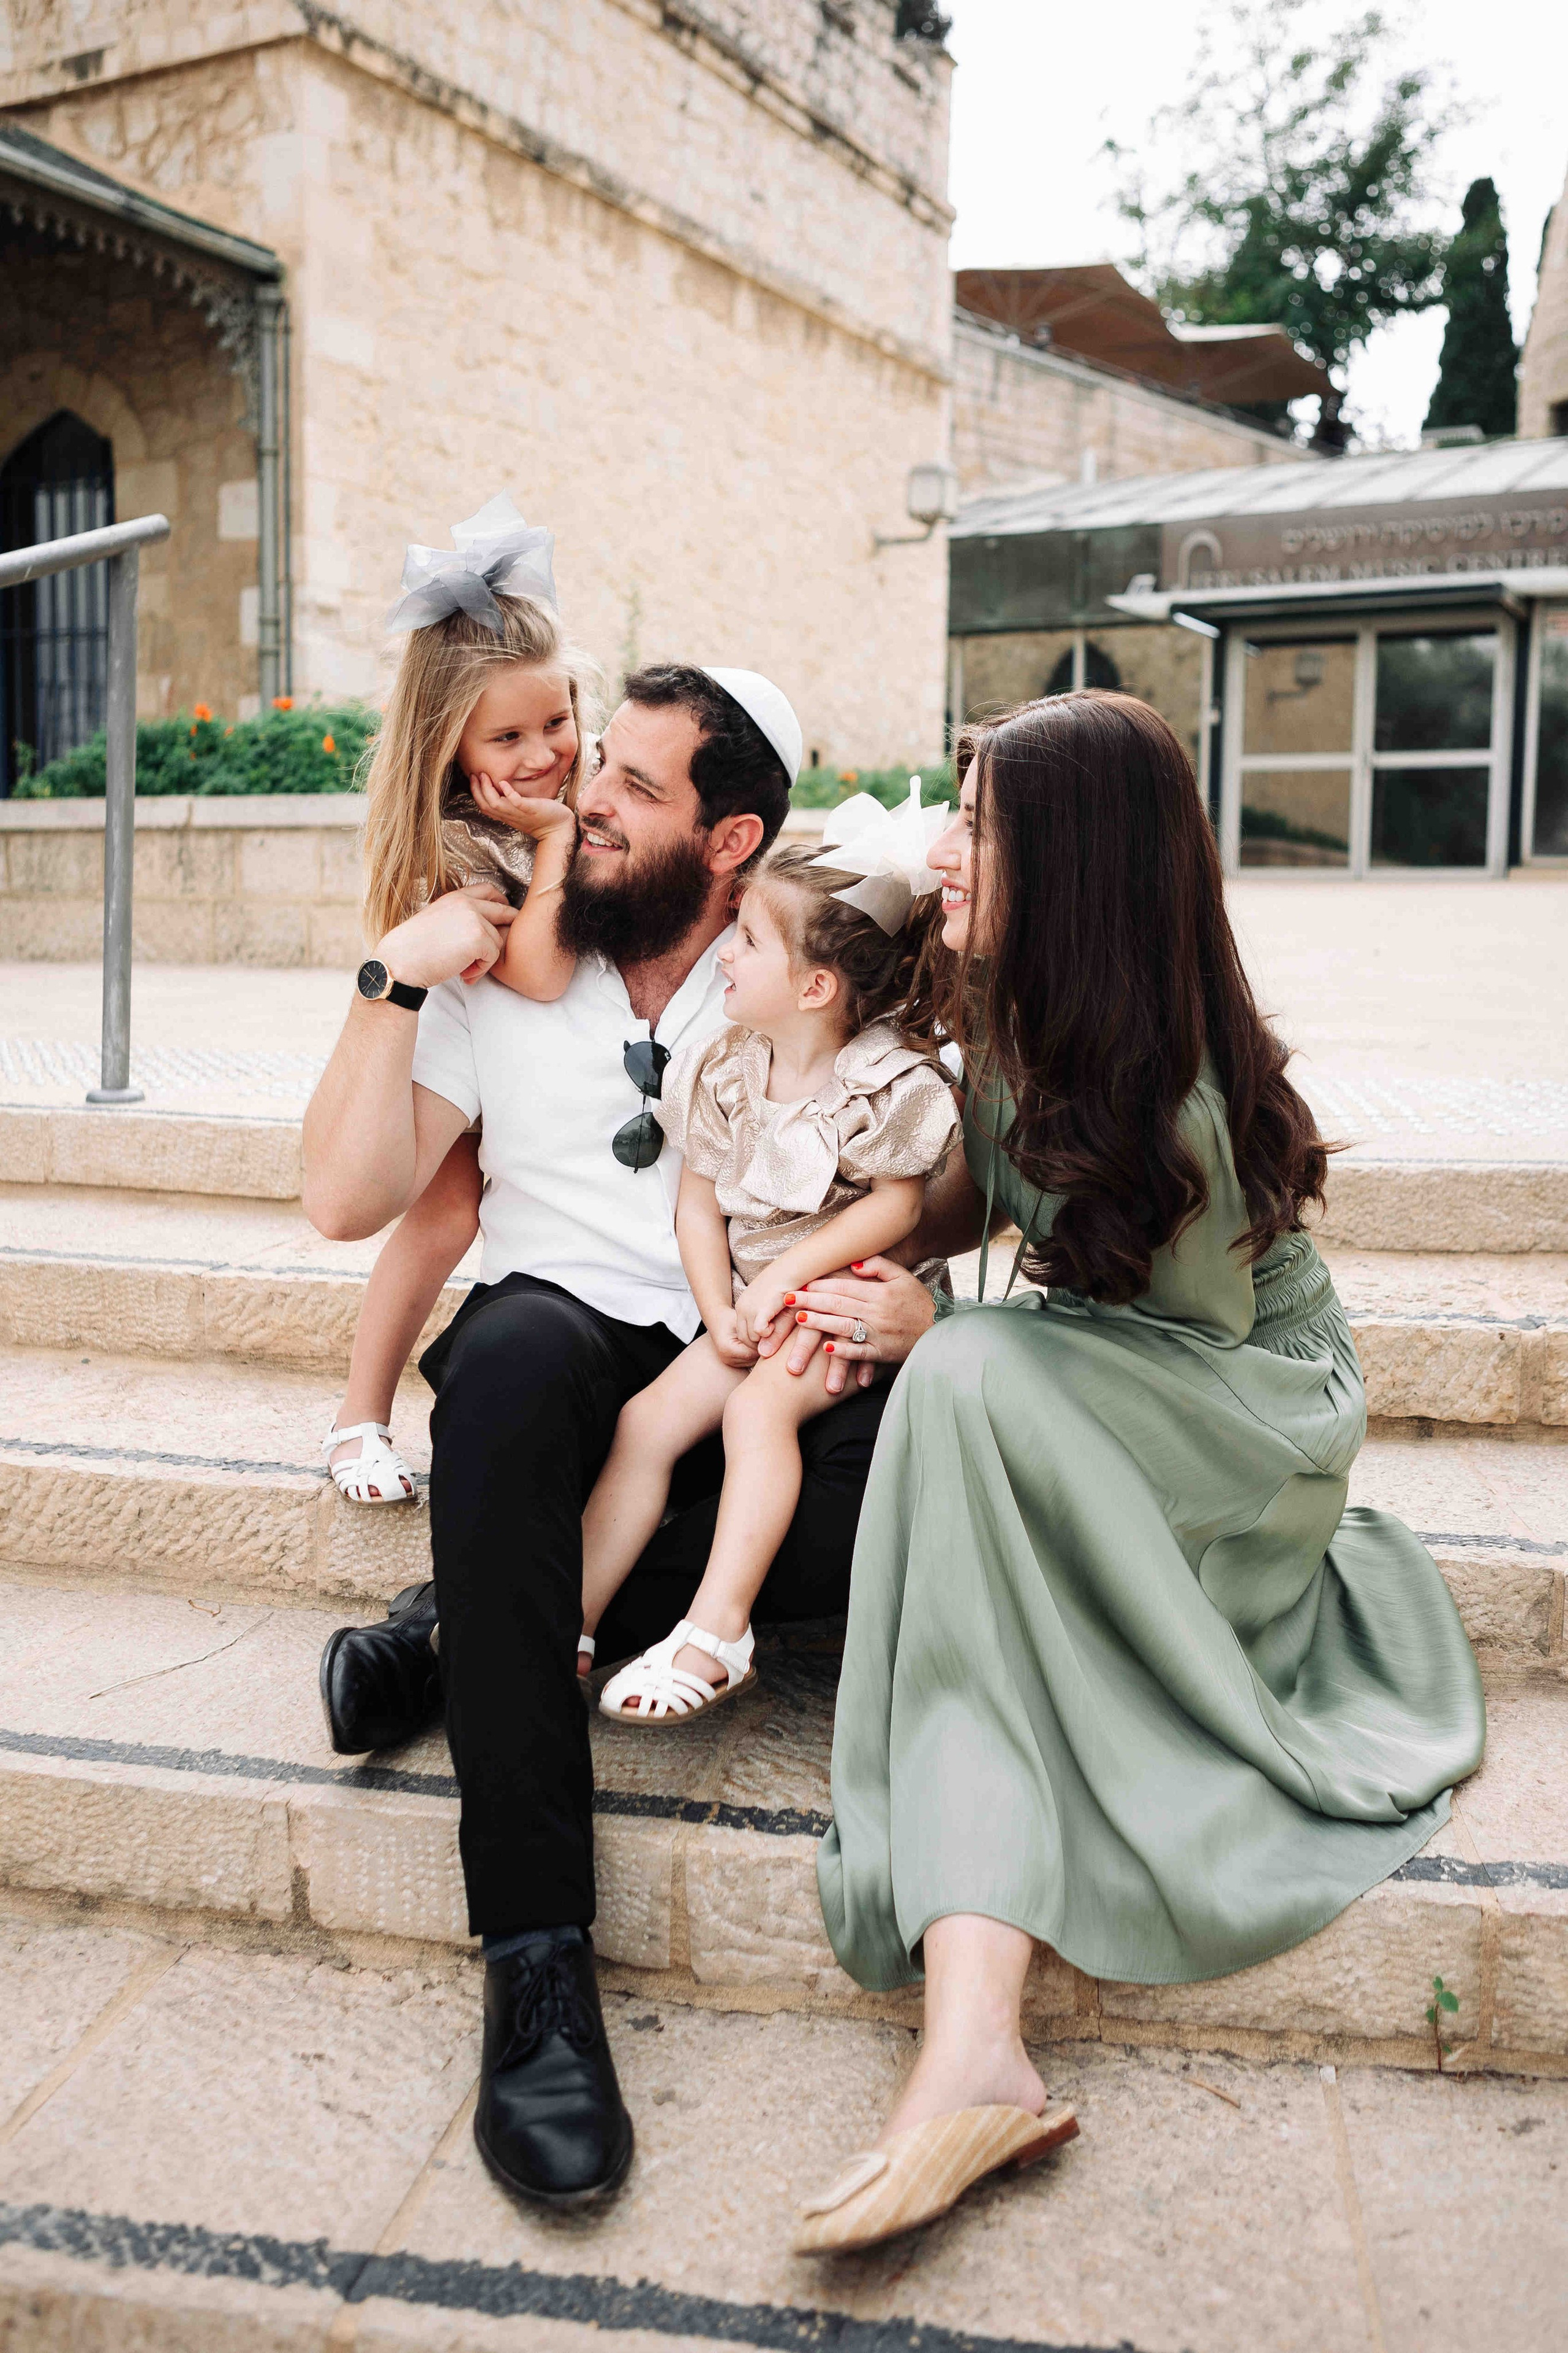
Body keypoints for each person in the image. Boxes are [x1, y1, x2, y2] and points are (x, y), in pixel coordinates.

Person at [781, 692, 1486, 2256]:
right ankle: (974, 2049)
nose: (943, 846)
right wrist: (846, 1255)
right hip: (1111, 1367)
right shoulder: (1010, 1002)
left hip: (1246, 1407)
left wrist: (930, 1331)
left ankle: (973, 2044)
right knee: (956, 1377)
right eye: (953, 811)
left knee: (958, 1377)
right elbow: (978, 1184)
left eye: (977, 821)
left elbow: (1170, 1347)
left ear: (1076, 863)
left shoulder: (1167, 1101)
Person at [304, 649, 896, 2212]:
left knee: (872, 1498)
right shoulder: (509, 953)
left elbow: (930, 1129)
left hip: (731, 1346)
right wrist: (393, 973)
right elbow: (342, 1200)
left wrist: (907, 1297)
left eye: (635, 785)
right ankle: (538, 1965)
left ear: (731, 842)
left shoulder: (795, 955)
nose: (586, 796)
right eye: (595, 766)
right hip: (556, 1329)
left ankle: (462, 1629)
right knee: (495, 1382)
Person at [582, 840, 958, 1723]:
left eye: (748, 938)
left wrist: (787, 1277)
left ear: (816, 987)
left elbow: (896, 1210)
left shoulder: (884, 1081)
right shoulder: (729, 1065)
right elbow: (698, 1205)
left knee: (758, 1411)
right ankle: (578, 1615)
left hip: (837, 1297)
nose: (725, 949)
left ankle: (718, 1630)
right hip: (751, 1303)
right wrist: (719, 1309)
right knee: (647, 1421)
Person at [324, 496, 596, 1506]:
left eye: (558, 721)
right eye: (509, 737)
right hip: (473, 1021)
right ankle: (360, 1414)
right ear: (450, 747)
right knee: (443, 1211)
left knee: (473, 1207)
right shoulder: (463, 848)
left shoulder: (575, 785)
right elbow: (537, 971)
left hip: (536, 1036)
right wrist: (561, 838)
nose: (542, 755)